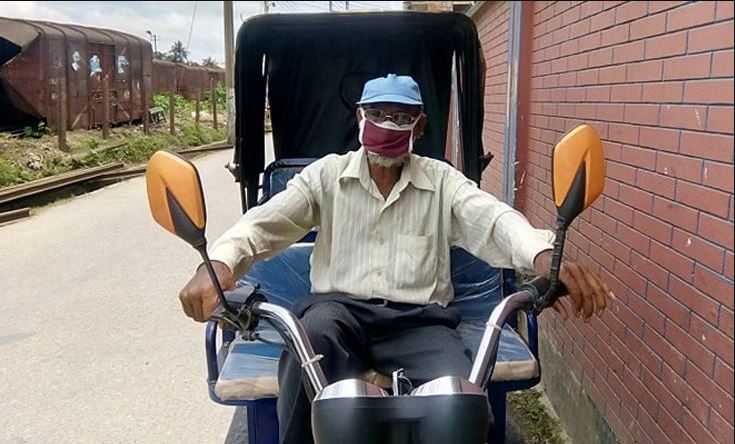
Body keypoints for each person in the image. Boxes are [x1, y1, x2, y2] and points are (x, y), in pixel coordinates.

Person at [178, 74, 613, 443]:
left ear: (419, 125)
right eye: (378, 114)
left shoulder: (442, 181)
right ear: (359, 118)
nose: (388, 124)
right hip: (338, 313)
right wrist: (218, 265)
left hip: (420, 323)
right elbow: (263, 224)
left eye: (401, 117)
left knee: (461, 402)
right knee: (308, 342)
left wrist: (544, 256)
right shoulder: (326, 176)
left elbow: (494, 219)